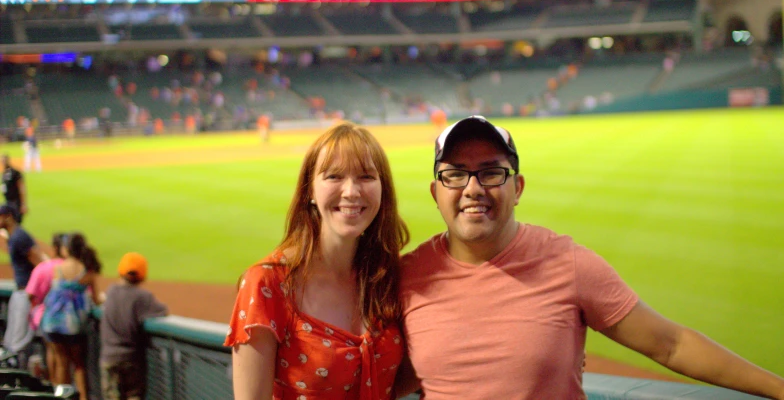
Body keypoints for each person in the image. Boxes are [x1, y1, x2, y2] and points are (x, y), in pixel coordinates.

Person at [396, 115, 784, 400]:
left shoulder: (567, 263)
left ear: (518, 188)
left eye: (492, 172)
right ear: (436, 192)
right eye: (456, 174)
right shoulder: (409, 276)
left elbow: (671, 344)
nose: (473, 188)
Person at [225, 122, 410, 400]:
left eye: (366, 177)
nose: (351, 191)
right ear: (310, 190)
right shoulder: (267, 284)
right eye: (334, 176)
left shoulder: (388, 276)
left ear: (383, 189)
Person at [41, 233, 102, 400]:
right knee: (79, 365)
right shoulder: (86, 270)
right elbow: (96, 300)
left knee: (61, 363)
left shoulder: (58, 269)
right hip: (74, 325)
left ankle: (62, 397)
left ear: (67, 249)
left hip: (52, 322)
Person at [100, 252, 168, 400]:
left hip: (109, 356)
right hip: (132, 358)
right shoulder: (142, 296)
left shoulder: (111, 290)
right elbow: (162, 311)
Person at [0, 203, 47, 364]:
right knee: (11, 341)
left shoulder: (20, 237)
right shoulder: (13, 237)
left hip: (27, 295)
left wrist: (34, 294)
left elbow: (39, 265)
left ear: (8, 217)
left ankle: (16, 379)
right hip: (20, 293)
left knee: (18, 343)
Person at [25, 232, 68, 380]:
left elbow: (30, 294)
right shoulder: (71, 269)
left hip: (44, 317)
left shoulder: (42, 268)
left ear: (55, 248)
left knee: (52, 352)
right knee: (65, 359)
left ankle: (53, 386)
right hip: (68, 319)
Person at [2, 154, 27, 223]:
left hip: (16, 202)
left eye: (4, 161)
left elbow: (21, 187)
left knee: (16, 222)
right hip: (8, 202)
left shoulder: (15, 173)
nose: (3, 162)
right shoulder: (4, 173)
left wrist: (23, 204)